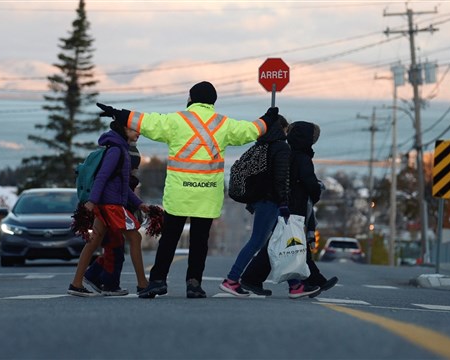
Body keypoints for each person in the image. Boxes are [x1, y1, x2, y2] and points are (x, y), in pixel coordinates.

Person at [97, 81, 278, 299]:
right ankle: (194, 284)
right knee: (200, 241)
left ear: (191, 98)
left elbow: (147, 122)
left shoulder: (177, 121)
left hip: (179, 192)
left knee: (170, 238)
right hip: (207, 193)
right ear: (213, 101)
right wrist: (268, 117)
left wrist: (117, 113)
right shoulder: (223, 124)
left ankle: (157, 281)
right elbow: (249, 131)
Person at [240, 121, 337, 299]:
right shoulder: (303, 158)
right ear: (306, 139)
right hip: (295, 207)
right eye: (313, 137)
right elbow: (309, 183)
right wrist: (316, 191)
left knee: (279, 243)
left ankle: (252, 278)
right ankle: (312, 281)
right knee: (293, 244)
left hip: (284, 204)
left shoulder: (288, 153)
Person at [68, 121, 149, 297]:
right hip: (110, 205)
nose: (139, 133)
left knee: (92, 243)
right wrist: (92, 201)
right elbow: (102, 177)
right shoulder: (116, 151)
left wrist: (138, 203)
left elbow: (122, 186)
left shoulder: (119, 148)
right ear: (124, 128)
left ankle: (76, 283)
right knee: (135, 237)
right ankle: (143, 284)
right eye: (136, 130)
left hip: (105, 203)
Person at [219, 114, 291, 297]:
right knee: (257, 242)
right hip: (270, 202)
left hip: (261, 200)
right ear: (281, 129)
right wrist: (283, 202)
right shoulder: (281, 148)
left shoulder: (260, 146)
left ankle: (297, 284)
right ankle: (231, 279)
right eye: (286, 129)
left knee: (281, 240)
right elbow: (280, 178)